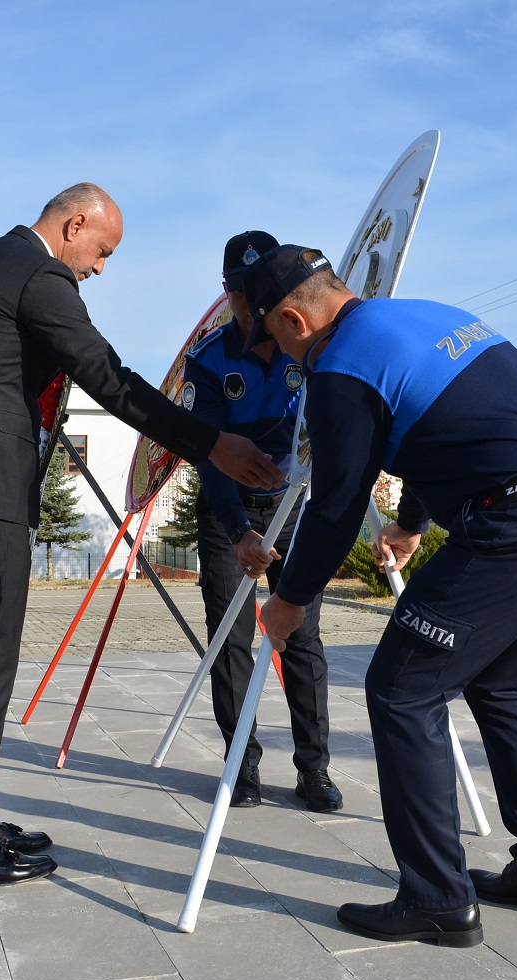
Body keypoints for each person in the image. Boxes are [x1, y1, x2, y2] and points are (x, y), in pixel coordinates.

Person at [0, 182, 283, 890]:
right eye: (101, 250)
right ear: (75, 224)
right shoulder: (39, 274)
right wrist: (209, 443)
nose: (99, 268)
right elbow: (111, 378)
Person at [248, 245, 517, 948]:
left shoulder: (337, 367)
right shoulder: (422, 317)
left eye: (275, 340)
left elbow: (334, 506)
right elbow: (455, 421)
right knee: (504, 686)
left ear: (295, 321)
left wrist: (291, 597)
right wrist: (415, 522)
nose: (285, 358)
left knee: (401, 688)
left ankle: (437, 898)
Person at [183, 231, 340, 812]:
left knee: (300, 637)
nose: (248, 306)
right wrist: (236, 531)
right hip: (230, 516)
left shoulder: (312, 351)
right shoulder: (209, 362)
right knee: (230, 642)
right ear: (226, 294)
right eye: (237, 293)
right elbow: (211, 458)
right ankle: (241, 767)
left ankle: (314, 770)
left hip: (292, 510)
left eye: (257, 292)